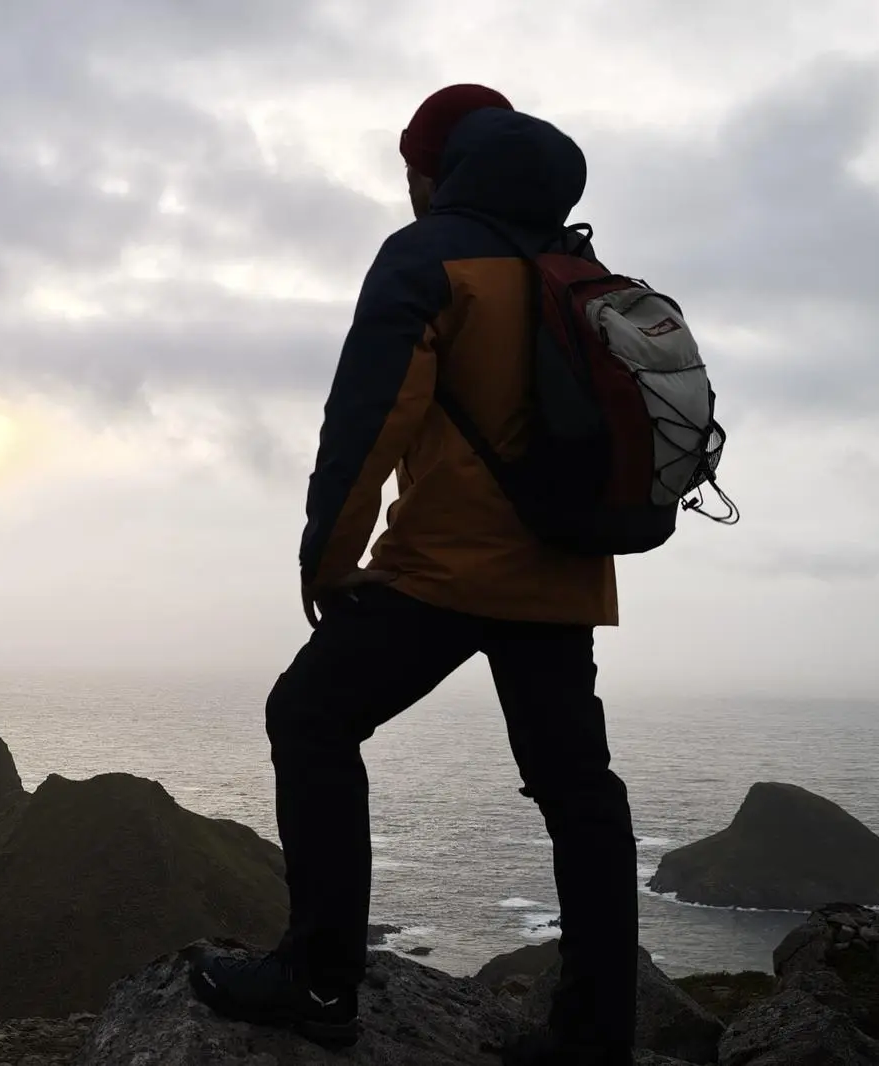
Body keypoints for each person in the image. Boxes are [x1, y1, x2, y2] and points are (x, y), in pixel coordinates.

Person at [190, 84, 639, 1066]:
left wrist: (327, 558)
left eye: (410, 172)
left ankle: (316, 982)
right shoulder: (576, 263)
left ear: (438, 171)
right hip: (563, 573)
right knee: (578, 792)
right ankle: (598, 1034)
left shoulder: (429, 256)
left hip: (441, 570)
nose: (407, 190)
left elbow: (372, 416)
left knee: (309, 717)